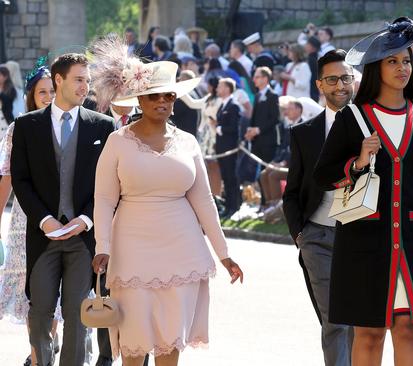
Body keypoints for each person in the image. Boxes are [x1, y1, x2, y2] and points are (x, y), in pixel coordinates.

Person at [89, 41, 243, 365]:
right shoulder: (117, 142)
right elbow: (103, 198)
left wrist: (224, 254)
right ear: (139, 100)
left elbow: (204, 200)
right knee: (133, 345)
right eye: (154, 95)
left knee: (169, 346)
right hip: (130, 249)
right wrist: (102, 244)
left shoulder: (188, 142)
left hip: (182, 251)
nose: (162, 101)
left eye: (168, 96)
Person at [313, 18, 413, 365]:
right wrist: (358, 162)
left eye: (406, 61)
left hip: (412, 247)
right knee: (369, 334)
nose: (402, 68)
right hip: (363, 245)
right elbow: (323, 176)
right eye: (392, 61)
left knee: (412, 329)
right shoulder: (352, 117)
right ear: (375, 68)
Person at [11, 53, 116, 366]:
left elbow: (109, 184)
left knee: (77, 313)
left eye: (87, 80)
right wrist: (44, 221)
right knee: (40, 312)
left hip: (83, 239)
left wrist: (85, 219)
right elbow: (21, 179)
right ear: (59, 80)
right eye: (79, 79)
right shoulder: (27, 126)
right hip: (43, 238)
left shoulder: (104, 126)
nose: (86, 86)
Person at [283, 49, 355, 365]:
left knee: (364, 323)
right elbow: (292, 190)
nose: (340, 85)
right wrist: (301, 233)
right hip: (319, 238)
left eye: (345, 78)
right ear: (320, 85)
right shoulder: (304, 133)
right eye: (332, 79)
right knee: (336, 320)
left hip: (364, 238)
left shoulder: (374, 125)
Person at [0, 65, 61, 366]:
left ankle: (46, 349)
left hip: (60, 219)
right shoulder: (18, 128)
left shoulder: (70, 127)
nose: (48, 97)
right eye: (42, 92)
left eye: (53, 91)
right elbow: (7, 178)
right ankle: (39, 355)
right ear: (31, 96)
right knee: (31, 292)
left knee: (55, 290)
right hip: (24, 221)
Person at [214, 77, 242, 218]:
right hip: (222, 148)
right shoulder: (223, 105)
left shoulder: (233, 105)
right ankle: (228, 205)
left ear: (227, 89)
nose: (217, 89)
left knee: (231, 177)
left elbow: (234, 128)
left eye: (220, 86)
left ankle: (233, 207)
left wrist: (219, 128)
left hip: (230, 149)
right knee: (226, 177)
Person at [246, 66, 280, 168]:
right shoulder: (257, 96)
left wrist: (258, 130)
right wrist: (250, 130)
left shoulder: (273, 96)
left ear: (265, 79)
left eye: (257, 77)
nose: (254, 79)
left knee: (265, 171)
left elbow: (275, 118)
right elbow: (254, 116)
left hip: (267, 141)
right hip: (256, 141)